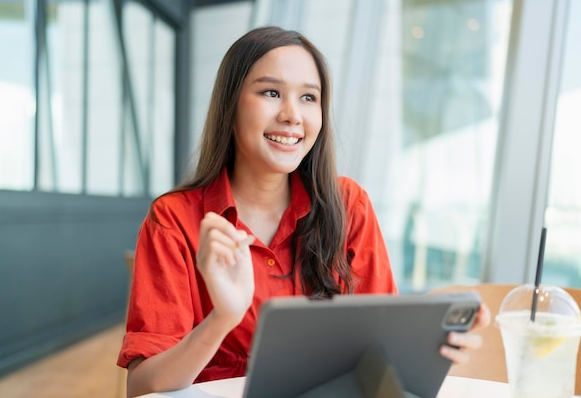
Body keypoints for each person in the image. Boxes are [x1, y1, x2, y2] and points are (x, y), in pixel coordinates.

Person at [117, 26, 491, 397]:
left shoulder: (349, 205)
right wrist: (222, 319)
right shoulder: (174, 220)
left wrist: (430, 341)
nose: (292, 115)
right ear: (230, 106)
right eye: (271, 92)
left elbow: (382, 349)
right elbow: (143, 386)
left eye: (309, 98)